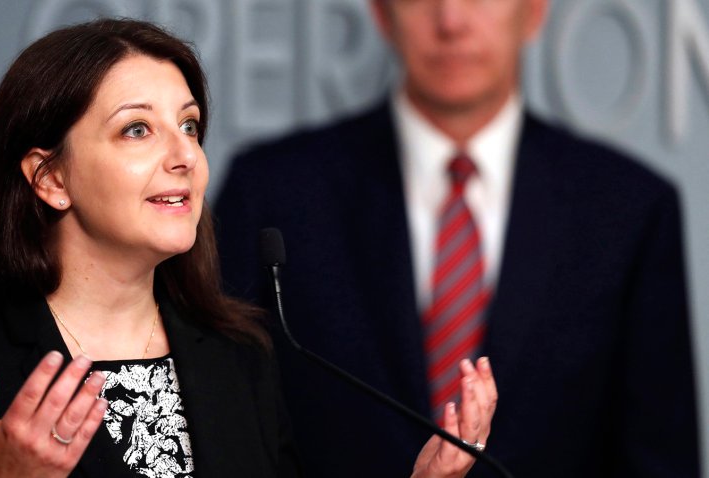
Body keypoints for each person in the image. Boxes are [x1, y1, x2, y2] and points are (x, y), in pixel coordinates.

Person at [0, 19, 498, 478]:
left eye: (189, 126)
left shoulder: (239, 355)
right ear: (51, 179)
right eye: (138, 129)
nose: (184, 156)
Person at [214, 0, 699, 477]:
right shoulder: (272, 193)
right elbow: (227, 433)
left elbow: (660, 456)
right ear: (382, 13)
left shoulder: (629, 209)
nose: (451, 20)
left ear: (532, 10)